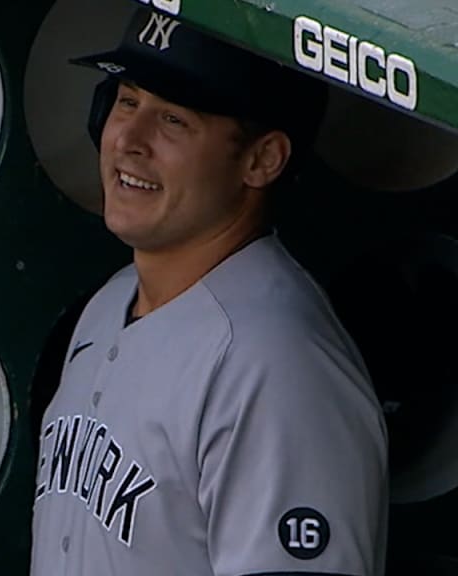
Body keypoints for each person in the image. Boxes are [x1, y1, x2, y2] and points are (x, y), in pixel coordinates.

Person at [30, 6, 389, 576]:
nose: (129, 140)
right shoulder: (108, 306)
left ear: (261, 159)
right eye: (127, 101)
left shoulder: (276, 367)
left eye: (174, 119)